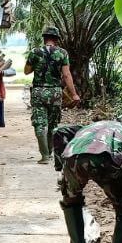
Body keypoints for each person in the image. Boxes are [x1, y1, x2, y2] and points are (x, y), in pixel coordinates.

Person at [25, 26, 81, 164]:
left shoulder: (35, 52)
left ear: (44, 38)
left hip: (38, 92)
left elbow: (26, 71)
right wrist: (74, 94)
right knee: (52, 124)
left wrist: (38, 64)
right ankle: (50, 152)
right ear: (56, 39)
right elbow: (66, 75)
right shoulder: (62, 53)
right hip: (55, 93)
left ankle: (44, 156)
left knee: (39, 123)